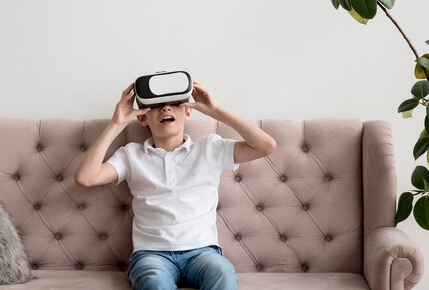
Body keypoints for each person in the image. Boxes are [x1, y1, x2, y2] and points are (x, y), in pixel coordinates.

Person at [74, 81, 277, 290]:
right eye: (156, 106)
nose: (166, 108)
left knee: (223, 274)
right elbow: (86, 177)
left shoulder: (209, 147)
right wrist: (116, 124)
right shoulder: (130, 155)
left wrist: (216, 110)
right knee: (155, 283)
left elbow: (266, 145)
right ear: (142, 117)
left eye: (174, 104)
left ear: (187, 112)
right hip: (152, 255)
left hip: (203, 252)